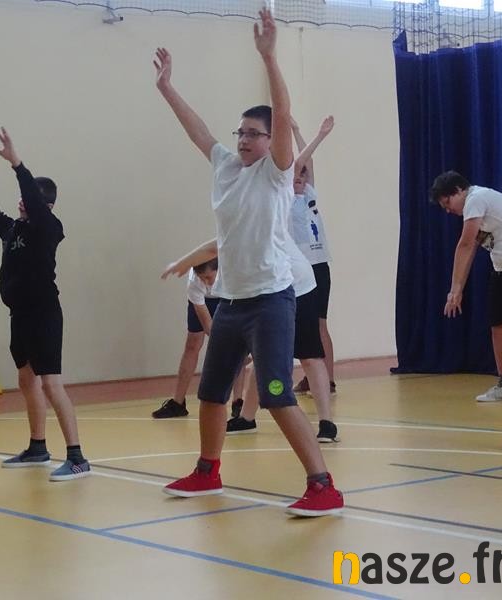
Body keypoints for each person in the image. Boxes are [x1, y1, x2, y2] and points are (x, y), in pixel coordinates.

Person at [152, 8, 343, 515]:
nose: (242, 139)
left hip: (272, 301)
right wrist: (167, 89)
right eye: (239, 132)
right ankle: (207, 472)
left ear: (271, 139)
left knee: (277, 393)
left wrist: (269, 57)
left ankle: (323, 486)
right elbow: (198, 131)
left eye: (253, 133)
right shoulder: (225, 166)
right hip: (232, 302)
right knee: (212, 392)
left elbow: (282, 109)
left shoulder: (277, 173)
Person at [0, 127, 91, 480]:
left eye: (30, 199)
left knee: (51, 384)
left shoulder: (48, 227)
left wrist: (17, 164)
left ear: (46, 206)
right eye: (23, 198)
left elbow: (33, 199)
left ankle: (77, 457)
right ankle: (38, 446)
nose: (23, 202)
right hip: (20, 315)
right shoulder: (15, 230)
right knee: (27, 380)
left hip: (43, 314)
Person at [163, 238, 339, 442]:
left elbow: (217, 245)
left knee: (309, 357)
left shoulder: (259, 228)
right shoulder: (231, 251)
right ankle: (246, 418)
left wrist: (182, 263)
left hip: (297, 287)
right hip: (269, 291)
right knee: (263, 356)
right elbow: (218, 244)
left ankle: (327, 423)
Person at [432, 170, 502, 450]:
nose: (448, 211)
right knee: (499, 324)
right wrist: (458, 286)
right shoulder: (477, 208)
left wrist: (455, 290)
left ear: (459, 191)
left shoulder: (476, 199)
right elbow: (471, 248)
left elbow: (465, 244)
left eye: (448, 203)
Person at [153, 258, 246, 418]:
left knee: (237, 347)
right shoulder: (194, 282)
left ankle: (238, 402)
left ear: (219, 270)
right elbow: (208, 326)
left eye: (209, 277)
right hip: (203, 302)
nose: (206, 282)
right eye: (202, 278)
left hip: (227, 298)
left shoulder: (232, 275)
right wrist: (223, 344)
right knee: (192, 344)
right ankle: (178, 403)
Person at [290, 115, 337, 395]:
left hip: (319, 267)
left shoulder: (308, 194)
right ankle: (312, 374)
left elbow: (306, 161)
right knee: (302, 325)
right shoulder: (284, 200)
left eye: (302, 177)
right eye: (295, 177)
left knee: (320, 323)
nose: (299, 179)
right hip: (300, 270)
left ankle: (327, 379)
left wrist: (299, 130)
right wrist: (318, 136)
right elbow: (298, 163)